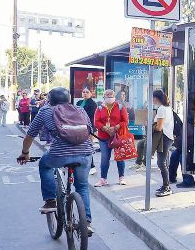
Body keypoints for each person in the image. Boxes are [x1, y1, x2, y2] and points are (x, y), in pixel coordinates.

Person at [16, 87, 94, 235]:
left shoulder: (45, 111)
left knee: (44, 165)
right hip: (85, 154)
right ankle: (87, 223)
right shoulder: (80, 110)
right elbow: (89, 131)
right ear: (69, 99)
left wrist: (25, 153)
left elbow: (30, 135)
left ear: (49, 100)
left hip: (59, 154)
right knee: (82, 186)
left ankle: (50, 200)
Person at [93, 89, 129, 187]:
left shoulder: (120, 107)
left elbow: (125, 121)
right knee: (105, 158)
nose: (109, 96)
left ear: (114, 96)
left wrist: (117, 126)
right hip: (104, 137)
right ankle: (103, 179)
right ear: (104, 96)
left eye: (111, 94)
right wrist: (104, 128)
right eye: (107, 95)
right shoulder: (99, 108)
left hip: (117, 136)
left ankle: (121, 177)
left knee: (120, 157)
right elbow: (96, 122)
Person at [153, 90, 176, 197]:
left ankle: (167, 186)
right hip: (168, 137)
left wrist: (150, 125)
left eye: (153, 97)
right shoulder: (167, 108)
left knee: (161, 163)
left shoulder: (161, 109)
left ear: (156, 98)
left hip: (163, 137)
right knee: (163, 162)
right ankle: (165, 185)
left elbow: (159, 127)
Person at [76, 88, 99, 175]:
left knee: (87, 147)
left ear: (90, 94)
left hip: (89, 128)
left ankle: (92, 166)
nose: (85, 93)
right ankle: (82, 164)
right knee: (79, 147)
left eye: (87, 92)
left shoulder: (92, 104)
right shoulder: (79, 102)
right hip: (79, 128)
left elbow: (91, 118)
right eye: (83, 92)